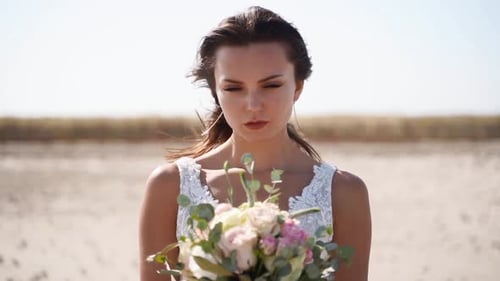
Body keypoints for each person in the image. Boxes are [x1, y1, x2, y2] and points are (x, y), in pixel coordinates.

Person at [139, 6, 371, 281]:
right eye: (233, 88)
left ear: (298, 87)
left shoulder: (344, 192)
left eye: (271, 85)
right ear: (216, 92)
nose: (253, 105)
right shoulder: (169, 186)